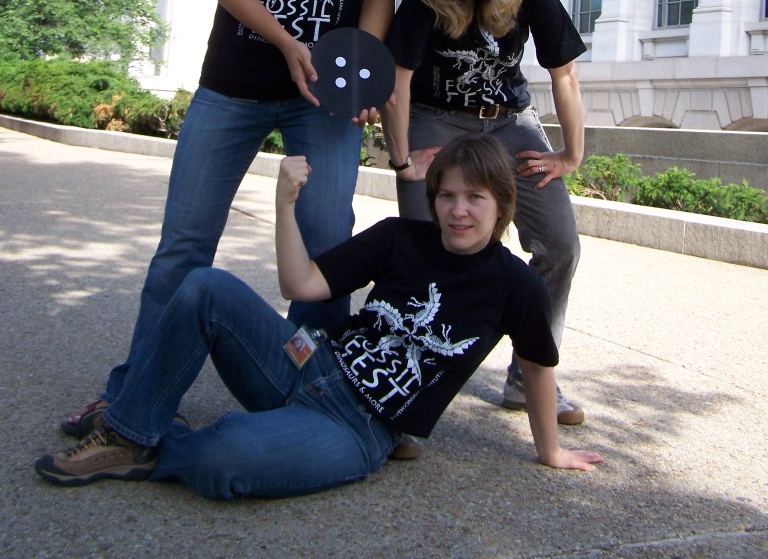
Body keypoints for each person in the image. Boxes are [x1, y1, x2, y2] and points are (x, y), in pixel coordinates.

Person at [60, 0, 418, 435]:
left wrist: (358, 67)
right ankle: (134, 397)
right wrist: (286, 41)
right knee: (185, 245)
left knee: (324, 244)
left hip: (325, 96)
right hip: (234, 84)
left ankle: (309, 397)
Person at [35, 135, 603, 498]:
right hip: (305, 364)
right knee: (204, 286)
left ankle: (160, 438)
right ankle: (130, 430)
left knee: (221, 460)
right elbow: (299, 283)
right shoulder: (400, 238)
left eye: (475, 198)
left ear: (502, 205)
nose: (458, 210)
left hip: (358, 428)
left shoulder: (516, 285)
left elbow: (535, 368)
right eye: (447, 195)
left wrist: (551, 451)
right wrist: (284, 206)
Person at [382, 0, 587, 425]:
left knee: (560, 244)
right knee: (427, 252)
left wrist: (570, 155)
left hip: (508, 122)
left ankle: (529, 377)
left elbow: (563, 72)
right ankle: (405, 392)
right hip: (435, 121)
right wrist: (404, 161)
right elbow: (397, 81)